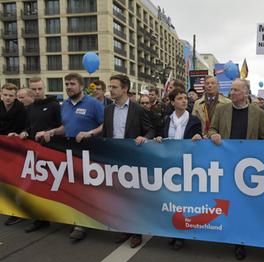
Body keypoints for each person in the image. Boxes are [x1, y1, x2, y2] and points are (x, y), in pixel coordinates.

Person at [36, 73, 104, 242]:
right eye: (66, 84)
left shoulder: (93, 104)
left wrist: (90, 133)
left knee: (86, 188)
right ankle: (76, 219)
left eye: (72, 84)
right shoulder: (64, 105)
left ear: (81, 86)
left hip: (90, 152)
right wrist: (52, 131)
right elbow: (65, 127)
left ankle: (82, 224)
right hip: (69, 152)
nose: (68, 87)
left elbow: (105, 124)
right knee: (73, 187)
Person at [207, 79, 264, 261]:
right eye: (231, 89)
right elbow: (212, 129)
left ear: (246, 92)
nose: (232, 92)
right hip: (226, 163)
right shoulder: (221, 109)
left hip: (249, 167)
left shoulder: (259, 113)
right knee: (229, 202)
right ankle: (233, 236)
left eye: (236, 90)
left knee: (246, 204)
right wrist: (213, 135)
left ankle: (243, 238)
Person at [103, 74, 155, 249]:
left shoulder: (138, 109)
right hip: (114, 159)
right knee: (119, 196)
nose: (110, 89)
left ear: (125, 89)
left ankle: (136, 232)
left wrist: (144, 137)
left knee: (134, 197)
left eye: (114, 87)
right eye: (110, 86)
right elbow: (106, 133)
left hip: (133, 159)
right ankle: (124, 228)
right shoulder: (108, 110)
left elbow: (150, 130)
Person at [8, 77, 62, 232]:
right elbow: (28, 127)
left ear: (44, 88)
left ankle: (60, 216)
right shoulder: (30, 108)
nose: (37, 92)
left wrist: (50, 133)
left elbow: (62, 127)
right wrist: (24, 133)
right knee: (36, 187)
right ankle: (40, 219)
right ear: (30, 90)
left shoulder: (54, 106)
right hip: (33, 153)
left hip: (52, 151)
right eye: (34, 89)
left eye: (40, 88)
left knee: (55, 187)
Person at [154, 89, 202, 250]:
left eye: (185, 98)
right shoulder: (166, 120)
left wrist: (198, 138)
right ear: (172, 102)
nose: (184, 101)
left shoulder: (194, 120)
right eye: (179, 98)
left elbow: (199, 138)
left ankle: (182, 234)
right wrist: (158, 138)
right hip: (170, 165)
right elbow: (160, 136)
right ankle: (173, 231)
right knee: (171, 200)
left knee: (184, 201)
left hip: (188, 164)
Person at [1, 83, 27, 226]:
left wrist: (20, 134)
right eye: (5, 95)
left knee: (14, 182)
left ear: (15, 96)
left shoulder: (21, 109)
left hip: (15, 149)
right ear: (1, 94)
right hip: (1, 148)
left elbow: (25, 127)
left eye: (11, 96)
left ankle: (16, 212)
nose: (8, 98)